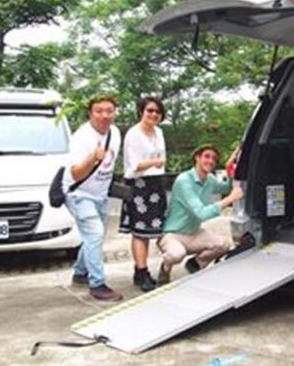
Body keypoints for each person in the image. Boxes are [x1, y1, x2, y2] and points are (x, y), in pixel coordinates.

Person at [157, 144, 244, 285]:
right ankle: (165, 270)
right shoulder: (184, 181)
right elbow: (201, 213)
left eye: (214, 159)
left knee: (223, 245)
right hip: (173, 234)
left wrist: (229, 168)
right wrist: (229, 199)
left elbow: (227, 187)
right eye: (207, 157)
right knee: (176, 254)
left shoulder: (209, 179)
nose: (210, 161)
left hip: (194, 232)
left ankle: (195, 265)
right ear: (197, 158)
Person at [64, 95, 123, 301]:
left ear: (115, 113)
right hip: (79, 194)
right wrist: (92, 158)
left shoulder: (115, 133)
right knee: (95, 234)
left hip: (100, 194)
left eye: (109, 111)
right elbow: (76, 174)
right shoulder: (81, 138)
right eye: (99, 111)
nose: (104, 115)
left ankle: (80, 273)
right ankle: (97, 284)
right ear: (90, 113)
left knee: (94, 237)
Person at [119, 96, 168, 292]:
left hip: (156, 182)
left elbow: (162, 159)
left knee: (153, 230)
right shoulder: (134, 134)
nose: (153, 114)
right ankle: (141, 271)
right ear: (141, 112)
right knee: (140, 232)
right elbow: (134, 165)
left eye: (157, 111)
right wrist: (154, 162)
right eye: (150, 110)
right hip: (139, 184)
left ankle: (142, 270)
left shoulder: (159, 132)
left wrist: (156, 163)